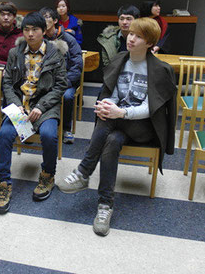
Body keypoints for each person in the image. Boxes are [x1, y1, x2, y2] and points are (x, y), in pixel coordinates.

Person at [57, 18, 176, 237]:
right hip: (119, 123)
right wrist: (107, 104)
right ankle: (105, 205)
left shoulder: (160, 69)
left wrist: (120, 112)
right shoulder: (120, 59)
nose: (131, 38)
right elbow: (111, 92)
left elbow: (151, 108)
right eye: (131, 34)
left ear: (150, 43)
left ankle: (84, 170)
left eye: (139, 36)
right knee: (111, 140)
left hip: (143, 127)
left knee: (108, 119)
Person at [0, 12, 68, 214]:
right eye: (26, 30)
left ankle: (48, 175)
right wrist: (17, 104)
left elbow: (61, 86)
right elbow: (7, 83)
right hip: (20, 106)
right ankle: (3, 182)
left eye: (35, 30)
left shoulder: (55, 53)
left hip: (45, 106)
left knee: (49, 135)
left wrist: (41, 107)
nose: (30, 34)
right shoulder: (15, 53)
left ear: (44, 31)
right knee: (4, 134)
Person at [40, 7, 83, 144]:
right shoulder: (39, 39)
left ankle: (66, 129)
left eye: (47, 17)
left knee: (67, 96)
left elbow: (77, 65)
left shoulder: (68, 39)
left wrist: (65, 82)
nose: (44, 20)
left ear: (55, 21)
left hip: (65, 81)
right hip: (44, 80)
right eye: (42, 17)